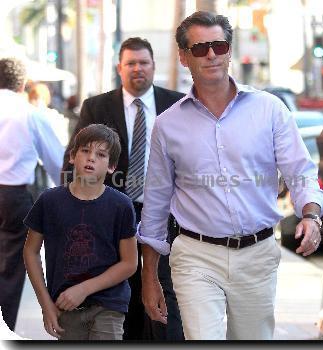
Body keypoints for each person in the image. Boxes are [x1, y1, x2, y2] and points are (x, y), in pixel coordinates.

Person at [138, 11, 323, 340]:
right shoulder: (167, 125)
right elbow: (155, 203)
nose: (211, 54)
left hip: (257, 255)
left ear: (229, 50)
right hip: (196, 256)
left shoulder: (269, 110)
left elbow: (300, 172)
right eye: (199, 48)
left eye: (219, 45)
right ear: (184, 58)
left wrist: (311, 216)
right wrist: (149, 278)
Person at [62, 37, 185, 340]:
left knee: (166, 292)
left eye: (143, 62)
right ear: (120, 68)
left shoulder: (179, 105)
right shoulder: (97, 107)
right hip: (114, 213)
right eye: (131, 63)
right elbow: (74, 162)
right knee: (121, 293)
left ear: (154, 66)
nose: (138, 69)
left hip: (168, 215)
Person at [23, 124, 138, 340]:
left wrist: (84, 289)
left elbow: (130, 263)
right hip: (65, 306)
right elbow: (30, 252)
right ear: (73, 156)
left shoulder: (121, 205)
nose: (91, 158)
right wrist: (46, 304)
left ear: (112, 166)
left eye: (101, 154)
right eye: (85, 151)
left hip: (109, 305)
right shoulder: (49, 201)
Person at [0, 57, 64, 331]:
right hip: (14, 197)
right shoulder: (29, 113)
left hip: (14, 196)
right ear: (23, 84)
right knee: (10, 271)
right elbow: (56, 161)